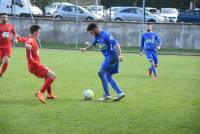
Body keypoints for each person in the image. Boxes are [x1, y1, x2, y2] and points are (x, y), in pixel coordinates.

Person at [80, 23, 125, 101]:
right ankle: (120, 93)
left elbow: (116, 43)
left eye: (91, 32)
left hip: (112, 56)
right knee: (108, 76)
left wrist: (120, 55)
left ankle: (107, 95)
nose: (91, 34)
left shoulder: (106, 35)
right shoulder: (97, 37)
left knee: (101, 73)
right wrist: (85, 49)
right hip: (111, 57)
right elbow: (93, 44)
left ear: (95, 29)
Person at [17, 25, 56, 103]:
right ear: (36, 32)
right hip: (34, 65)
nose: (39, 33)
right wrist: (27, 46)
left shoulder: (29, 38)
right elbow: (28, 43)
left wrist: (17, 38)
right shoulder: (30, 39)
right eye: (38, 32)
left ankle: (49, 94)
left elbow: (22, 39)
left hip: (33, 65)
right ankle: (40, 92)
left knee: (47, 76)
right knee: (52, 76)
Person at [0, 13, 17, 77]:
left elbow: (15, 33)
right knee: (0, 61)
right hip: (0, 47)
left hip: (7, 47)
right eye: (3, 17)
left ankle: (1, 74)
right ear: (1, 18)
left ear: (7, 18)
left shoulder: (10, 26)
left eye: (6, 17)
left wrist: (15, 39)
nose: (5, 18)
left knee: (6, 61)